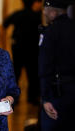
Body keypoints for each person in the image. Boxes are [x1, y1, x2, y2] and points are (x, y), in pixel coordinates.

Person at [38, 0, 75, 130]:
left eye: (45, 10)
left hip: (57, 93)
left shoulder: (50, 32)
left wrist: (45, 98)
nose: (44, 13)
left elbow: (45, 66)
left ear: (53, 12)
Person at [3, 0, 42, 105]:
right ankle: (32, 98)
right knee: (33, 74)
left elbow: (5, 23)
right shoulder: (37, 16)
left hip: (18, 48)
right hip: (32, 50)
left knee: (16, 74)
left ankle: (14, 98)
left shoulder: (18, 14)